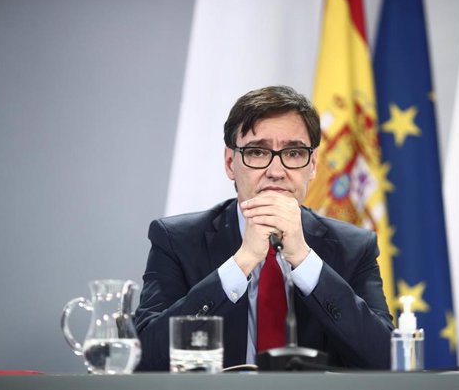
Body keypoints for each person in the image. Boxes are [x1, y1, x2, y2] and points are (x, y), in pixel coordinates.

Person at [134, 85, 394, 371]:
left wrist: (305, 260)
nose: (276, 170)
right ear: (230, 163)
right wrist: (241, 263)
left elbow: (386, 358)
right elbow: (144, 358)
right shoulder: (176, 240)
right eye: (258, 152)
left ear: (314, 165)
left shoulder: (354, 247)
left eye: (294, 153)